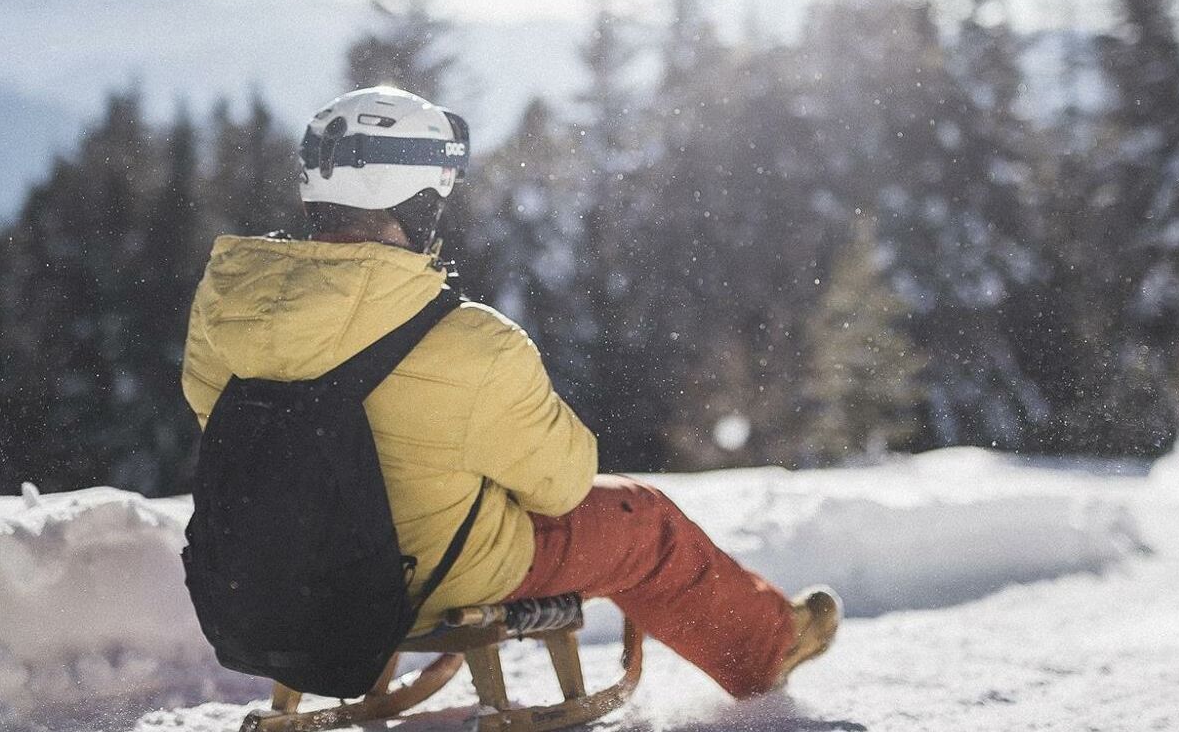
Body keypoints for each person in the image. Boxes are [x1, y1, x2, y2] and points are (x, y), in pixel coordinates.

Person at [180, 86, 839, 700]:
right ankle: (769, 645)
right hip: (435, 578)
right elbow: (563, 484)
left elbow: (243, 433)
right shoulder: (470, 342)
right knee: (645, 522)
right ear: (415, 201)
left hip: (275, 573)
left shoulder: (224, 310)